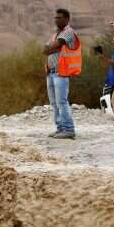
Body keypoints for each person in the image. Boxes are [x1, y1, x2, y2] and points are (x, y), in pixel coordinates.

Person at [43, 8, 81, 140]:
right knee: (54, 103)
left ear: (66, 19)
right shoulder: (55, 34)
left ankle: (69, 129)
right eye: (55, 18)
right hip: (51, 72)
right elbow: (45, 49)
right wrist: (52, 47)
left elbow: (54, 46)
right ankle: (60, 128)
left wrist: (52, 47)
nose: (56, 20)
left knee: (62, 102)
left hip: (61, 72)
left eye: (59, 18)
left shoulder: (69, 32)